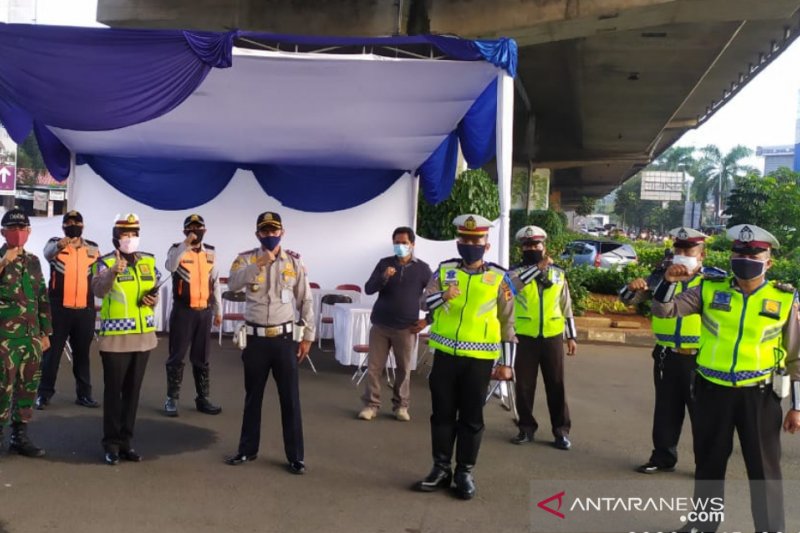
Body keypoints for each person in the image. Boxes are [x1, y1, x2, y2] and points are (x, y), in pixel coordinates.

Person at [652, 224, 800, 532]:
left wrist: (797, 407)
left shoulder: (785, 300)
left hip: (758, 396)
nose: (744, 257)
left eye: (753, 253)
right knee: (709, 462)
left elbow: (796, 357)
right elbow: (665, 310)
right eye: (738, 252)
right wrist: (667, 282)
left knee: (763, 469)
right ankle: (703, 524)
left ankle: (771, 528)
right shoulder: (710, 289)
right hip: (711, 391)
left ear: (768, 262)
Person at [413, 214, 515, 500]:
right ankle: (441, 468)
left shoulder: (498, 276)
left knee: (471, 417)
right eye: (465, 239)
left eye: (476, 240)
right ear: (458, 242)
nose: (470, 244)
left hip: (479, 359)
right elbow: (423, 302)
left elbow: (508, 322)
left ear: (486, 244)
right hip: (445, 355)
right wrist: (444, 296)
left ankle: (464, 472)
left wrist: (507, 363)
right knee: (442, 415)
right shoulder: (444, 271)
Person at [619, 227, 719, 474]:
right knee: (666, 409)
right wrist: (633, 289)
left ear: (702, 255)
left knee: (703, 414)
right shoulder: (661, 276)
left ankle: (705, 464)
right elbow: (627, 299)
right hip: (666, 354)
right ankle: (663, 457)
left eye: (688, 250)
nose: (682, 254)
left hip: (699, 355)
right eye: (678, 250)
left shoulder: (714, 282)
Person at [224, 211, 314, 475]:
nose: (270, 235)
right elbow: (233, 284)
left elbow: (305, 300)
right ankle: (247, 450)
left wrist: (307, 335)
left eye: (274, 231)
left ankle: (296, 457)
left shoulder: (294, 263)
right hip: (255, 340)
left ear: (282, 233)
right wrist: (259, 264)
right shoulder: (245, 259)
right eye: (265, 231)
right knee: (253, 397)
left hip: (284, 340)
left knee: (290, 399)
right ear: (257, 234)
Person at [91, 213, 160, 465]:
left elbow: (152, 291)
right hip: (116, 340)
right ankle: (110, 444)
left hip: (143, 338)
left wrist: (153, 300)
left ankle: (126, 442)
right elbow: (98, 290)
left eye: (134, 234)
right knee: (114, 393)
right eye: (125, 235)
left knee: (132, 393)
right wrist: (112, 273)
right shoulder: (103, 262)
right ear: (115, 238)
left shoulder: (148, 262)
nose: (130, 239)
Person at [508, 225, 577, 450]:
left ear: (544, 246)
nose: (532, 248)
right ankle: (526, 428)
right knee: (524, 386)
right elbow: (511, 289)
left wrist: (571, 337)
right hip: (525, 336)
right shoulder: (514, 273)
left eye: (536, 245)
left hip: (552, 336)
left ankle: (561, 431)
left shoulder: (558, 273)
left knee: (556, 385)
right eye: (528, 245)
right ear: (522, 249)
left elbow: (566, 306)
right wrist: (536, 268)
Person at [358, 226, 432, 422]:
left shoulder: (422, 269)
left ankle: (401, 406)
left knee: (404, 368)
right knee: (374, 368)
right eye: (397, 243)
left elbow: (435, 296)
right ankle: (371, 405)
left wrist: (427, 320)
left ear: (412, 245)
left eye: (404, 243)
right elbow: (368, 288)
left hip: (407, 327)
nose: (400, 246)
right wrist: (384, 277)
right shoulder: (384, 264)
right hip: (381, 325)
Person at [36, 210, 101, 410]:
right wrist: (59, 245)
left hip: (84, 310)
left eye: (76, 222)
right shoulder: (54, 244)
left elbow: (97, 276)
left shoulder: (92, 248)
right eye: (69, 222)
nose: (73, 225)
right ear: (64, 226)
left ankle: (84, 395)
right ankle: (44, 394)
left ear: (82, 225)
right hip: (58, 309)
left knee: (82, 354)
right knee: (52, 355)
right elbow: (46, 254)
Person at [0, 208, 51, 458]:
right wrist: (3, 262)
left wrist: (45, 332)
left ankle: (19, 436)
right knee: (2, 388)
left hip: (31, 336)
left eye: (22, 229)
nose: (18, 234)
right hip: (4, 339)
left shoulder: (33, 261)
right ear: (3, 232)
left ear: (29, 232)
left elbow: (42, 297)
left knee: (27, 387)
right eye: (12, 229)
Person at [163, 214, 222, 417]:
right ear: (185, 231)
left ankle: (203, 398)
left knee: (202, 357)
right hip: (183, 312)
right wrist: (185, 245)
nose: (195, 231)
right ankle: (171, 399)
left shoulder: (211, 253)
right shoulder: (176, 249)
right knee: (176, 356)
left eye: (198, 228)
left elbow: (215, 283)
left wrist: (218, 310)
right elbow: (170, 266)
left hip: (203, 313)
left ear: (204, 231)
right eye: (191, 228)